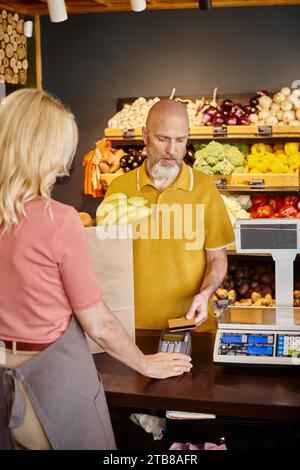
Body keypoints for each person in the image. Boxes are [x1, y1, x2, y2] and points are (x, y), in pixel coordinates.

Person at [0, 89, 192, 451]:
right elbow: (98, 323)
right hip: (49, 391)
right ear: (45, 151)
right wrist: (145, 364)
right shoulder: (59, 220)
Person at [105, 99, 235, 331]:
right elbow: (107, 261)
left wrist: (205, 294)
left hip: (192, 326)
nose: (171, 150)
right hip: (132, 329)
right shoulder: (119, 189)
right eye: (162, 139)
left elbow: (217, 258)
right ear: (145, 136)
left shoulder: (204, 188)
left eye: (180, 140)